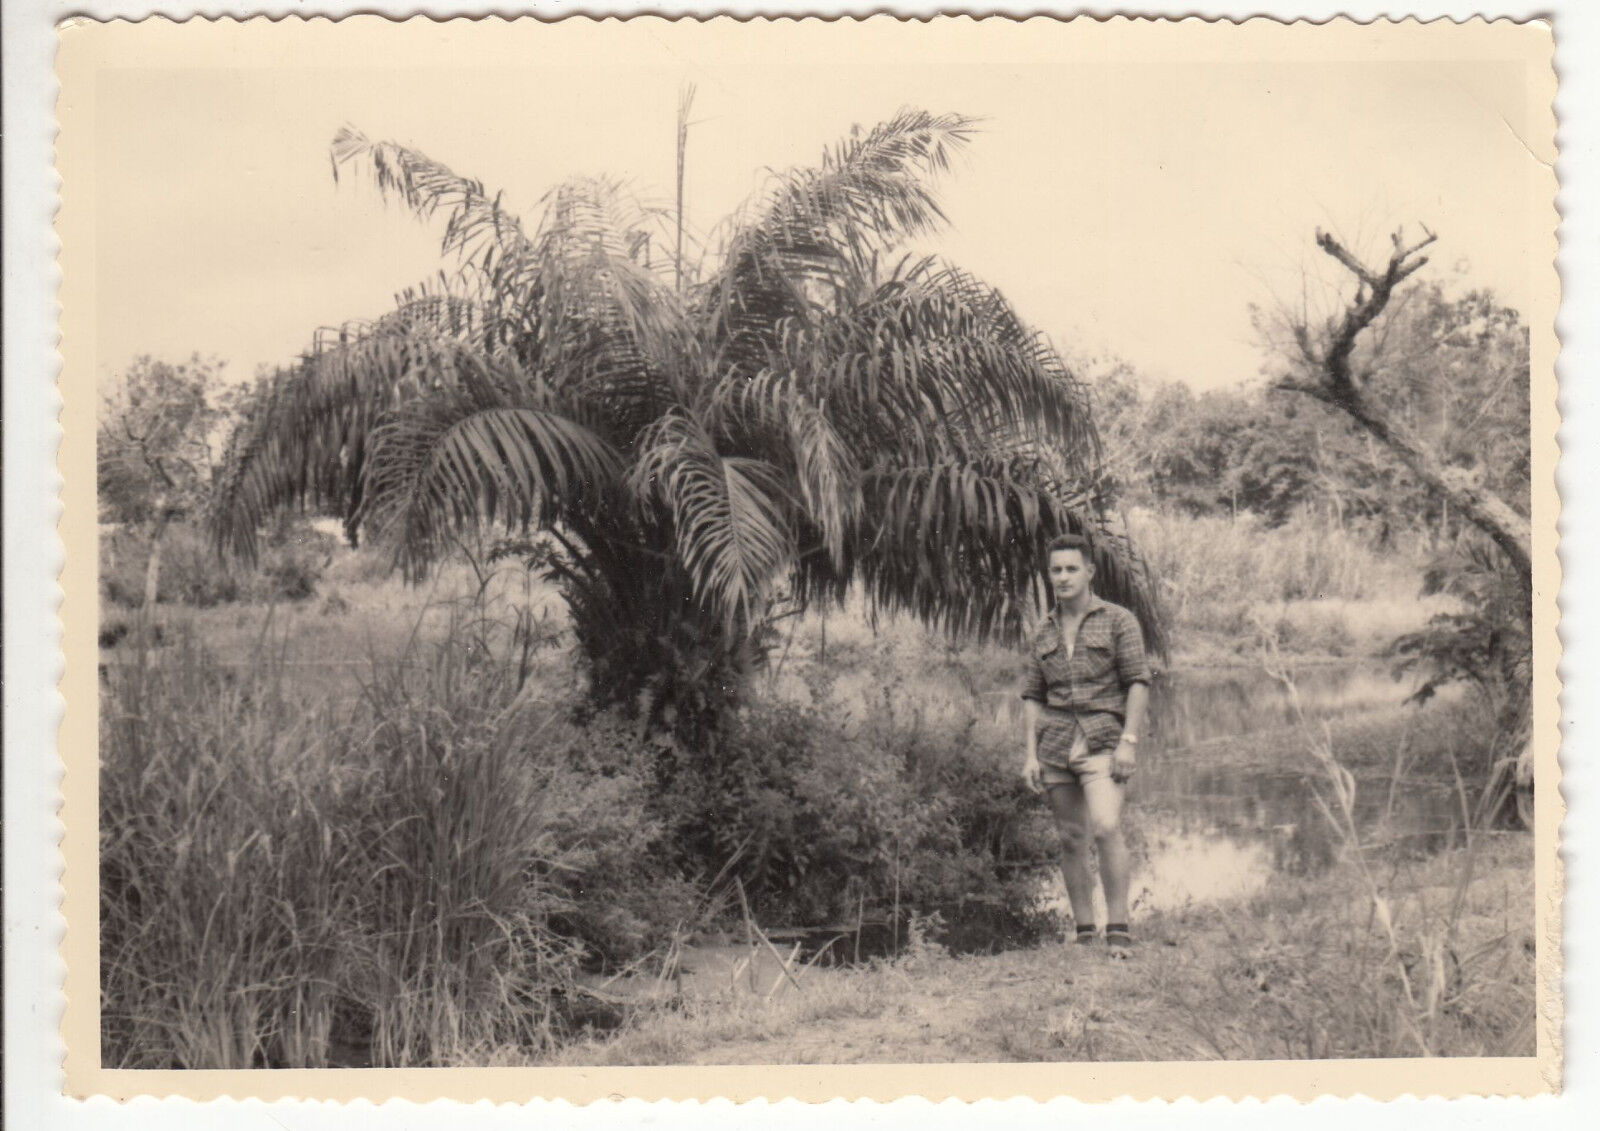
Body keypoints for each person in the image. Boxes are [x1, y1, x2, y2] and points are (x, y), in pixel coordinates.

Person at [1020, 533, 1152, 955]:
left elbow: (1138, 683)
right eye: (1055, 570)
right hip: (1056, 745)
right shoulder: (1042, 630)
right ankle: (1084, 933)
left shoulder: (1118, 620)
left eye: (1071, 568)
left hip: (1103, 740)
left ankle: (1118, 928)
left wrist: (1128, 742)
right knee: (1071, 838)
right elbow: (1033, 697)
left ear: (1090, 572)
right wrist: (1028, 754)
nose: (1062, 577)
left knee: (1107, 826)